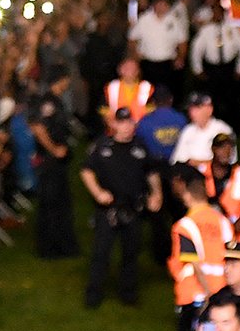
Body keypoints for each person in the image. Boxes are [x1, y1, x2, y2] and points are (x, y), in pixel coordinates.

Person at [80, 106, 160, 307]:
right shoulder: (102, 146)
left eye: (129, 122)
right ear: (113, 124)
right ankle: (93, 295)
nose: (126, 127)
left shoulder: (140, 147)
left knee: (131, 253)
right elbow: (86, 171)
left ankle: (128, 293)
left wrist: (157, 194)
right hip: (108, 210)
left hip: (133, 208)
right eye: (121, 122)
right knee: (101, 253)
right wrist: (98, 192)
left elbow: (151, 172)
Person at [168, 167, 233, 331]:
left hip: (195, 293)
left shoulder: (185, 226)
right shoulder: (223, 222)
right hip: (222, 290)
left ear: (187, 196)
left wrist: (207, 294)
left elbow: (194, 263)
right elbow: (231, 256)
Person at [30, 79, 80, 258]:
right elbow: (37, 127)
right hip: (49, 161)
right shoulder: (48, 101)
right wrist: (53, 148)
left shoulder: (55, 100)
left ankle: (61, 245)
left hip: (56, 160)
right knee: (52, 203)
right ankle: (51, 247)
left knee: (60, 202)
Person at [189, 0, 240, 126]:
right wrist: (198, 69)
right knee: (212, 98)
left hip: (228, 68)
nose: (217, 15)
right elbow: (196, 50)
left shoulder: (232, 29)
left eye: (220, 12)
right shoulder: (206, 30)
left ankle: (233, 124)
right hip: (212, 69)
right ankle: (213, 123)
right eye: (215, 12)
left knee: (231, 98)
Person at [128, 0, 189, 101]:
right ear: (154, 5)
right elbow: (132, 38)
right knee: (148, 93)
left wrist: (181, 57)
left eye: (164, 4)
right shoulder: (144, 20)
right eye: (159, 4)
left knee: (169, 92)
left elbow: (182, 41)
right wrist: (135, 54)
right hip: (149, 62)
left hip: (167, 62)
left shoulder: (174, 20)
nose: (162, 7)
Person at [171, 90, 234, 170]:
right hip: (189, 175)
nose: (192, 112)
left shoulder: (222, 130)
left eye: (196, 108)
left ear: (209, 109)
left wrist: (198, 163)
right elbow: (177, 159)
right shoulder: (188, 130)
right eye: (190, 109)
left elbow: (227, 161)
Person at [200, 133, 240, 224]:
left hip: (234, 232)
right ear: (213, 149)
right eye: (222, 147)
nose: (226, 151)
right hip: (207, 228)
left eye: (229, 148)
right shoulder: (201, 173)